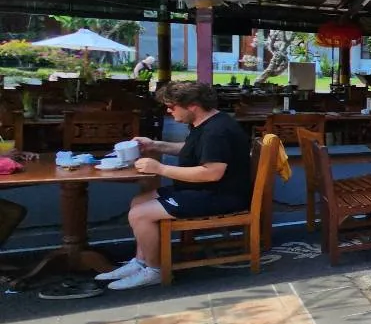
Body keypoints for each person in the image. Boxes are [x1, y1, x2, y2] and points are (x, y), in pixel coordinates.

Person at [96, 82, 253, 290]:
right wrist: (155, 145)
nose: (168, 111)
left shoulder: (217, 131)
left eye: (171, 106)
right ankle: (141, 262)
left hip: (220, 195)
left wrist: (159, 168)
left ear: (192, 105)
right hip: (201, 190)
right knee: (139, 201)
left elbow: (212, 173)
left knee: (139, 214)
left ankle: (154, 270)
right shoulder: (207, 123)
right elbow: (192, 150)